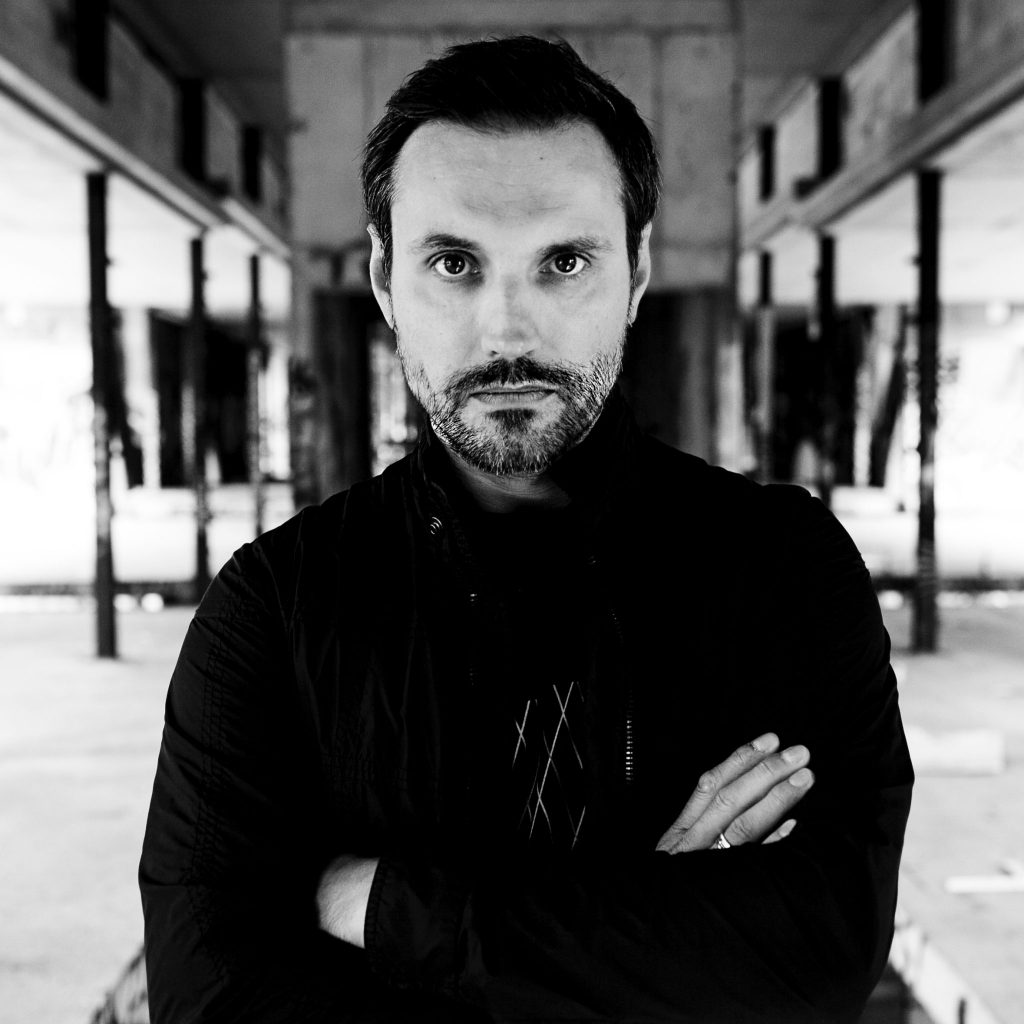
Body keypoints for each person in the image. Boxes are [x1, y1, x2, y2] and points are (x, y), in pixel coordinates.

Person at [140, 35, 913, 1024]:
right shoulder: (274, 611)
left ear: (636, 272)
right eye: (454, 262)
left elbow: (822, 955)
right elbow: (211, 1001)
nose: (507, 331)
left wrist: (389, 909)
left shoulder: (783, 568)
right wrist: (653, 928)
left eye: (564, 262)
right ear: (383, 279)